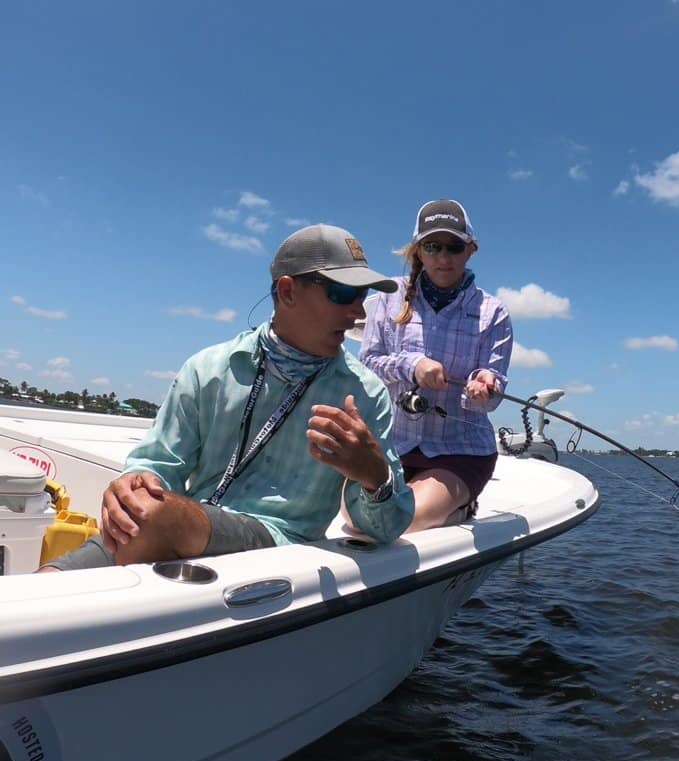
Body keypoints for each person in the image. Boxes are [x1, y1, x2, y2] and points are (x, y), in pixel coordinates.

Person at [40, 223, 414, 571]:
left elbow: (387, 528)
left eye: (362, 295)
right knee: (41, 587)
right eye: (343, 293)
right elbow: (158, 466)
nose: (358, 311)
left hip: (278, 548)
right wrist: (134, 484)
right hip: (181, 527)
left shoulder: (366, 394)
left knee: (152, 514)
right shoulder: (209, 368)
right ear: (287, 292)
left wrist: (374, 476)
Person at [359, 198, 513, 532]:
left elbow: (494, 393)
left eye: (454, 247)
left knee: (400, 518)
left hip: (460, 450)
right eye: (432, 246)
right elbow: (367, 364)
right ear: (417, 251)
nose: (443, 257)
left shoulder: (493, 312)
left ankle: (460, 508)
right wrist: (412, 365)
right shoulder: (387, 296)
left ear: (470, 250)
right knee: (360, 522)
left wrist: (484, 387)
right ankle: (442, 510)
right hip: (389, 444)